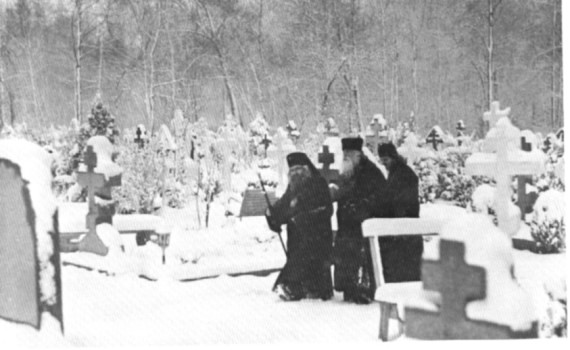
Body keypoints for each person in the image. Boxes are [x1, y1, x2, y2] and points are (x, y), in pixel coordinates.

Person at [265, 152, 334, 301]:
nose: (295, 173)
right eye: (292, 170)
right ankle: (293, 288)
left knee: (300, 266)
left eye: (298, 169)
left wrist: (303, 218)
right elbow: (284, 207)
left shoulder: (318, 183)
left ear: (306, 168)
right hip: (298, 242)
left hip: (317, 240)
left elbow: (326, 209)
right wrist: (272, 214)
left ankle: (297, 289)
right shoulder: (292, 188)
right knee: (294, 267)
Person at [331, 137, 387, 304]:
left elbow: (378, 197)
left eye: (350, 154)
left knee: (361, 258)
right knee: (347, 256)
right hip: (348, 225)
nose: (346, 157)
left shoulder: (371, 172)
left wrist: (359, 207)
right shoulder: (348, 172)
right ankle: (349, 288)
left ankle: (363, 290)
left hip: (363, 224)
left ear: (358, 154)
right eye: (344, 154)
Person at [376, 142, 423, 282]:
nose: (384, 163)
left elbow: (402, 201)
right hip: (401, 228)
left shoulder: (403, 174)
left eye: (386, 160)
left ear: (393, 157)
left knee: (406, 269)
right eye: (382, 160)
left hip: (405, 228)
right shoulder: (395, 173)